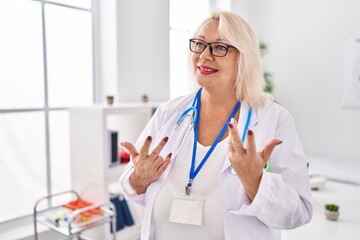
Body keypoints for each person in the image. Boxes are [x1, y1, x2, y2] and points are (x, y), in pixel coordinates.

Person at [119, 10, 312, 240]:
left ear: (243, 57)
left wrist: (256, 182)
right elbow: (132, 184)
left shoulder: (275, 120)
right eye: (199, 44)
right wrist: (139, 178)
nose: (204, 55)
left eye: (220, 47)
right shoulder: (169, 113)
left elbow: (299, 211)